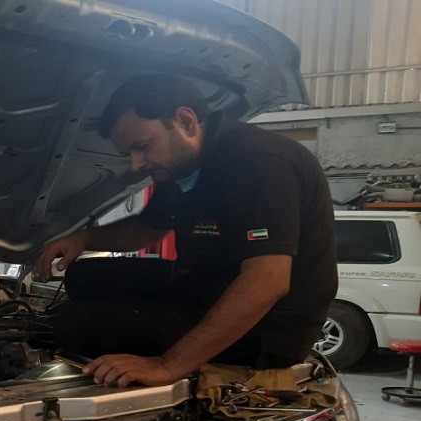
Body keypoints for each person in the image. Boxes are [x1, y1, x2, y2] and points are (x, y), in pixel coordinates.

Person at [36, 74, 337, 388]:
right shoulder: (182, 166)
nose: (136, 165)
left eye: (142, 147)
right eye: (129, 155)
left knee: (71, 324)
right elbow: (147, 229)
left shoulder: (258, 161)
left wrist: (167, 365)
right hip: (205, 288)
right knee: (83, 276)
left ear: (185, 121)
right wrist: (84, 238)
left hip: (269, 329)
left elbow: (267, 280)